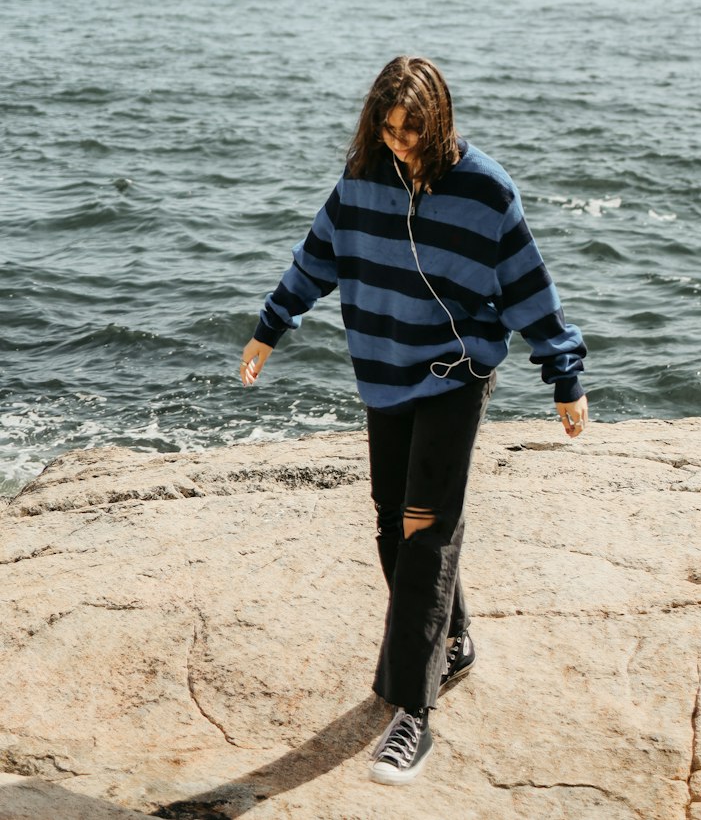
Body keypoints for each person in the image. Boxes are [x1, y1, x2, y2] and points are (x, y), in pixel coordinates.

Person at [239, 55, 588, 786]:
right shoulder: (361, 180)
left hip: (457, 375)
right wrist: (270, 326)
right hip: (385, 374)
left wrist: (564, 373)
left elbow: (529, 285)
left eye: (413, 130)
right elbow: (315, 257)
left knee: (427, 526)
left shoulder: (487, 191)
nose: (401, 142)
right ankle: (450, 638)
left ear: (441, 120)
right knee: (390, 522)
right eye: (389, 128)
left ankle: (412, 712)